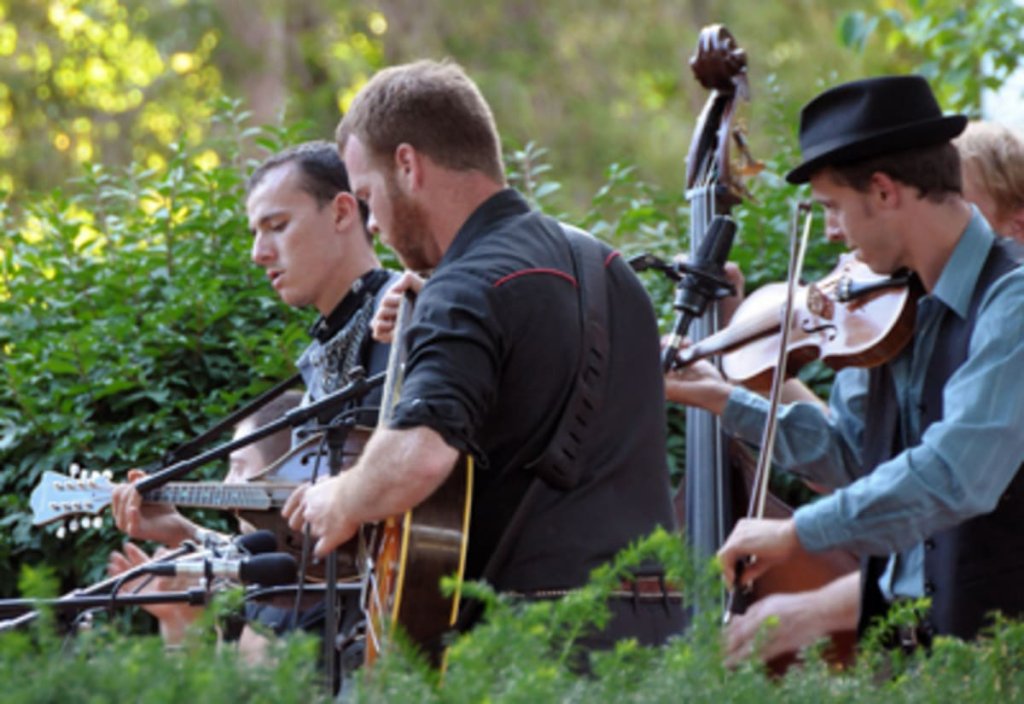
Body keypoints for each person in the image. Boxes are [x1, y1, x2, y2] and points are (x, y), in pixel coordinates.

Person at [284, 59, 684, 653]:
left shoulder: (465, 289)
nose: (374, 225)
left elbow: (417, 458)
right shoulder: (606, 266)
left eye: (367, 198)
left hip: (537, 649)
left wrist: (339, 497)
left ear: (408, 164)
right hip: (656, 637)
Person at [667, 75, 1024, 656]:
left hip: (1000, 660)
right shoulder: (883, 313)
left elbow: (957, 473)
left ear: (884, 192)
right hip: (906, 657)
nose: (832, 233)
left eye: (835, 207)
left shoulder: (1012, 302)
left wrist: (797, 534)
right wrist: (723, 399)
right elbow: (851, 456)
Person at [111, 141, 396, 675]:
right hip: (347, 648)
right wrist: (182, 532)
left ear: (340, 211)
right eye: (255, 233)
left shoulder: (401, 317)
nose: (258, 252)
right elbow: (308, 564)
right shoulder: (321, 357)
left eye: (277, 226)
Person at [107, 391, 303, 655]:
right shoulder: (253, 586)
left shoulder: (338, 582)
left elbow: (285, 679)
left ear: (287, 475)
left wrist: (191, 619)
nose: (226, 484)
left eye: (238, 467)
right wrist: (176, 622)